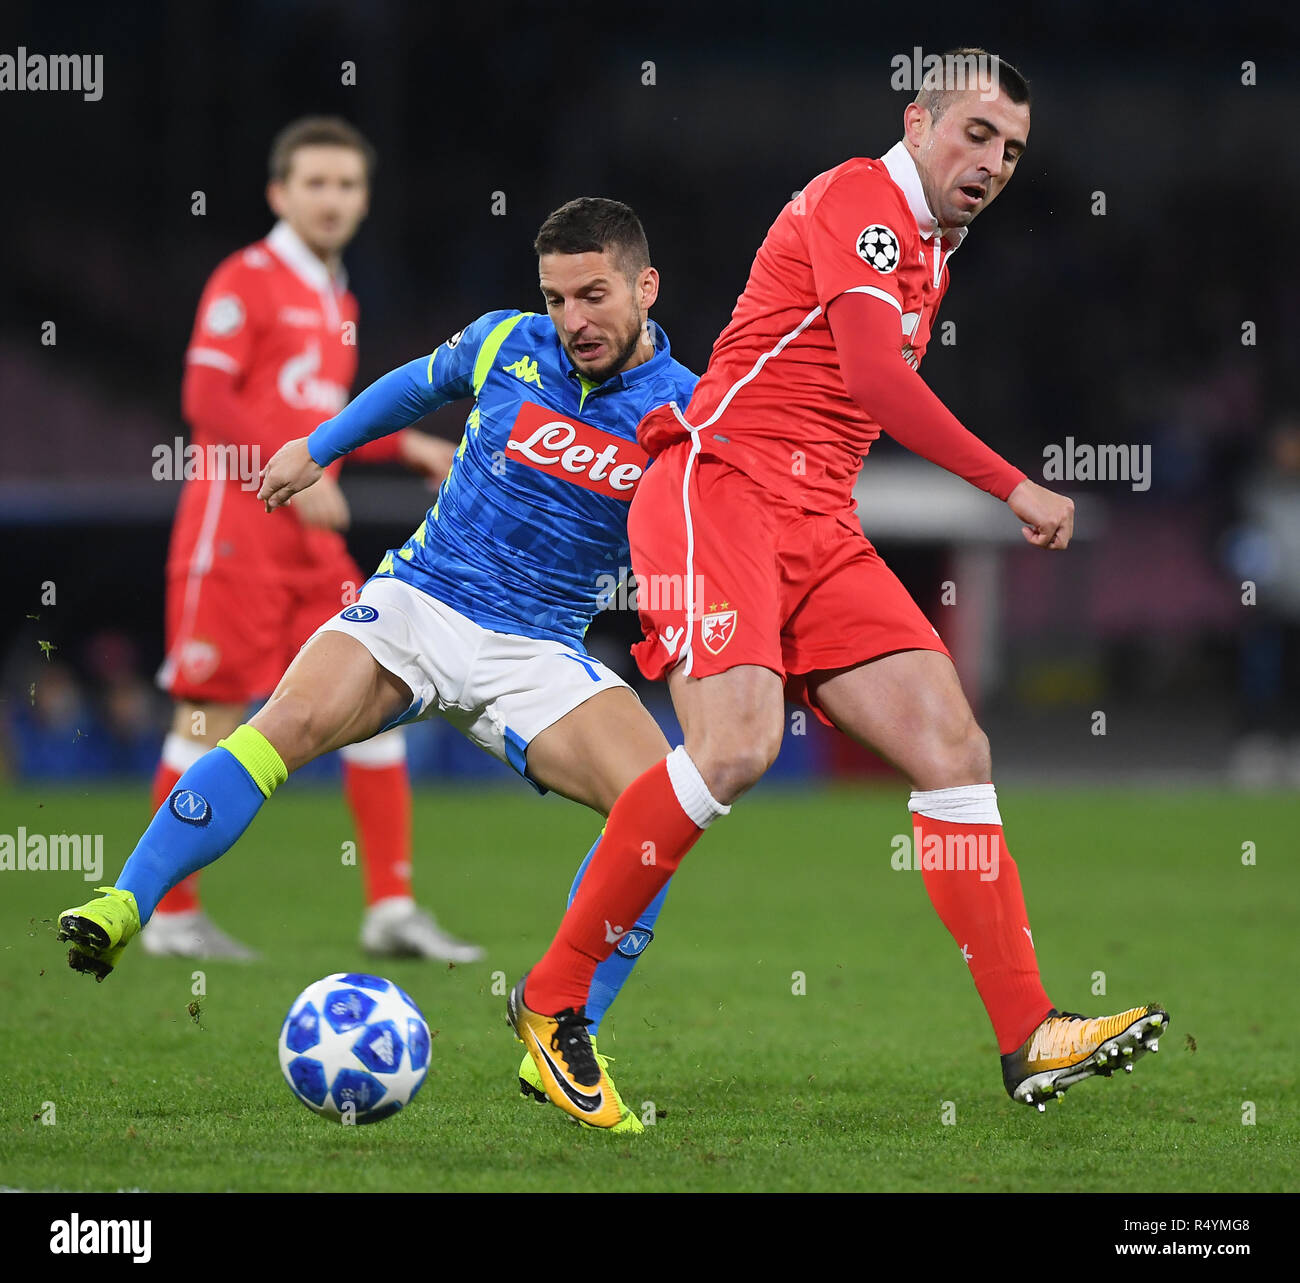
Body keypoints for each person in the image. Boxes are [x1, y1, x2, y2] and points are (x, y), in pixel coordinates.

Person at [512, 50, 1169, 1124]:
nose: (993, 162)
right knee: (735, 748)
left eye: (1011, 149)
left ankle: (1030, 1032)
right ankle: (551, 1001)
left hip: (816, 521)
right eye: (975, 135)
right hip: (716, 488)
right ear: (917, 120)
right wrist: (1012, 484)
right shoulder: (859, 200)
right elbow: (871, 377)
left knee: (953, 748)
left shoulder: (929, 251)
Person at [58, 197, 697, 1134]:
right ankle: (124, 904)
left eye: (594, 296)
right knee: (275, 728)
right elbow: (409, 387)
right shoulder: (506, 344)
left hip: (542, 650)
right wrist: (318, 450)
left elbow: (709, 540)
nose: (574, 321)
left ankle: (562, 1032)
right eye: (557, 297)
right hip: (420, 605)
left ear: (646, 287)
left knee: (666, 806)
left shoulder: (691, 407)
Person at [151, 115, 478, 963]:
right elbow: (208, 403)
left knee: (378, 693)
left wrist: (408, 447)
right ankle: (167, 912)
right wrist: (295, 485)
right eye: (315, 183)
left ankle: (391, 906)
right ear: (279, 193)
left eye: (347, 185)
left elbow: (318, 415)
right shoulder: (246, 277)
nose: (332, 199)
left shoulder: (336, 294)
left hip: (306, 541)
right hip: (236, 531)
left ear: (365, 199)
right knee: (210, 713)